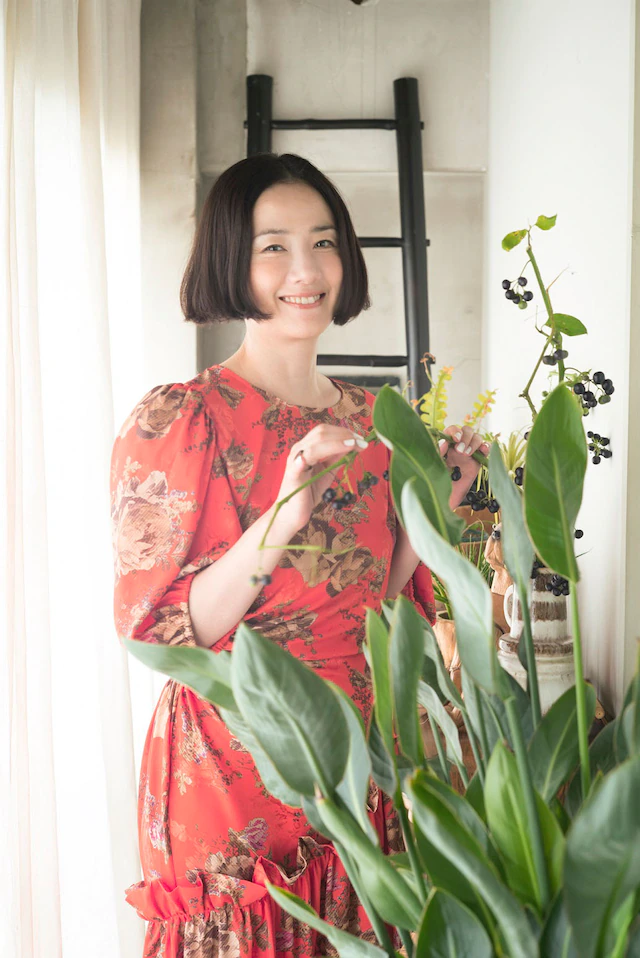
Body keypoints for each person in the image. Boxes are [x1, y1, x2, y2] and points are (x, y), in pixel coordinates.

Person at [110, 152, 487, 958]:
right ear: (230, 261)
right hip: (235, 760)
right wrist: (286, 509)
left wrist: (437, 510)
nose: (306, 270)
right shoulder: (183, 419)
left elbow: (375, 603)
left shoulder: (377, 420)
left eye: (323, 243)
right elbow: (166, 632)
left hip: (361, 753)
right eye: (274, 247)